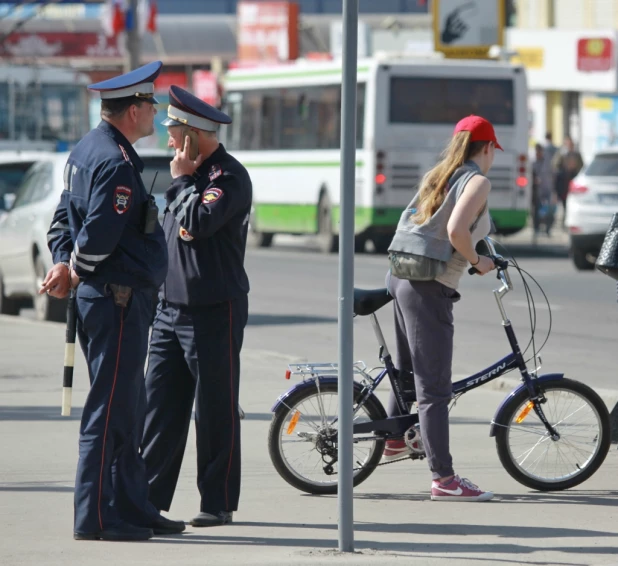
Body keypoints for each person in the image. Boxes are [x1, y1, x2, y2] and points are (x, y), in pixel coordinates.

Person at [40, 62, 185, 541]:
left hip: (108, 299)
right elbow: (98, 234)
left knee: (127, 406)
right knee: (108, 410)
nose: (156, 112)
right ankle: (96, 517)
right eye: (151, 104)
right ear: (132, 110)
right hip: (115, 300)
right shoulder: (116, 163)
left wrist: (64, 262)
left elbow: (63, 221)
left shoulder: (88, 149)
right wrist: (75, 266)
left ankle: (132, 504)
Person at [141, 86, 252, 527]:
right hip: (169, 310)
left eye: (175, 131)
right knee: (160, 408)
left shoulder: (228, 178)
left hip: (213, 309)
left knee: (214, 408)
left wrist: (184, 179)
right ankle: (147, 500)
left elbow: (198, 223)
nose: (169, 140)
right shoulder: (183, 175)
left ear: (195, 135)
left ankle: (218, 502)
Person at [383, 115, 498, 502]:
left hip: (400, 277)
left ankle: (395, 439)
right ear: (486, 148)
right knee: (433, 389)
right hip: (427, 286)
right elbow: (455, 232)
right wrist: (479, 263)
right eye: (493, 151)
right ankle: (444, 480)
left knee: (405, 372)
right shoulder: (478, 181)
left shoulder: (440, 173)